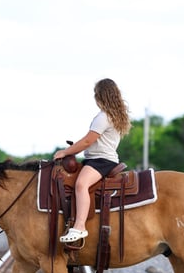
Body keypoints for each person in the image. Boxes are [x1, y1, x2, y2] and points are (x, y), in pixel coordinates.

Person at [53, 78, 131, 243]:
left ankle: (80, 226)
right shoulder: (112, 116)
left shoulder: (103, 117)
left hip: (101, 161)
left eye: (96, 94)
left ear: (100, 96)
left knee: (81, 185)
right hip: (96, 159)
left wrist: (65, 152)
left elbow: (88, 141)